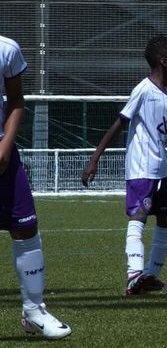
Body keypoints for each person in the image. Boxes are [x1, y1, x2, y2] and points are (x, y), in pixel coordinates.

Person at [81, 35, 167, 295]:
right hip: (141, 166)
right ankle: (134, 273)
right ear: (163, 61)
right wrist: (94, 159)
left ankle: (150, 275)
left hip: (161, 168)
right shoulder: (143, 89)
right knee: (138, 214)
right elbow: (119, 123)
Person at [1, 35, 72, 339]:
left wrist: (5, 147)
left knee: (25, 227)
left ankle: (33, 312)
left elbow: (16, 101)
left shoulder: (6, 49)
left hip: (2, 156)